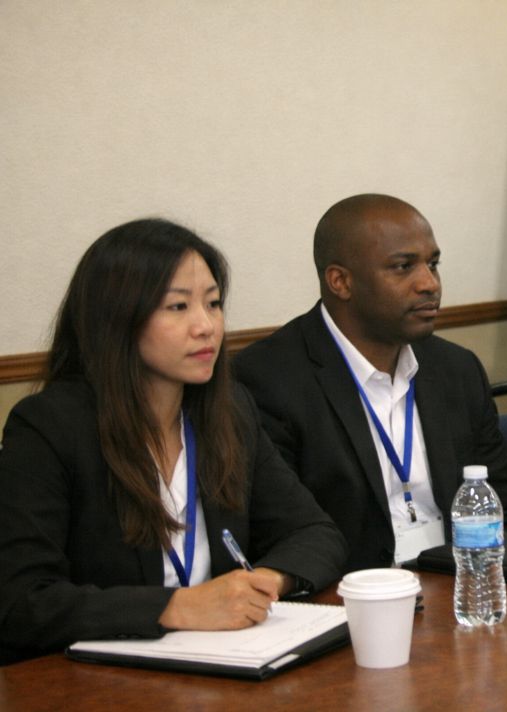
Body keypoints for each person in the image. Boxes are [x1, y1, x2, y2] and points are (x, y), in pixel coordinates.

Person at [0, 219, 346, 665]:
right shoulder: (50, 427)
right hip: (100, 680)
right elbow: (22, 603)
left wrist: (263, 583)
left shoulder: (228, 412)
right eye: (178, 307)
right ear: (116, 318)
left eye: (214, 304)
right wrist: (179, 607)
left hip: (223, 664)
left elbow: (315, 532)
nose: (206, 327)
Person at [234, 194, 507, 571]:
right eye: (403, 267)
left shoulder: (456, 369)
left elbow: (506, 502)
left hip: (460, 583)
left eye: (433, 264)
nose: (429, 283)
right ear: (341, 281)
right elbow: (283, 535)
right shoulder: (268, 378)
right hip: (353, 597)